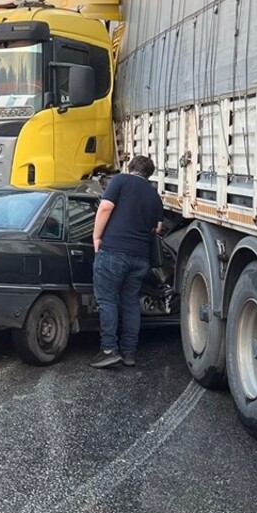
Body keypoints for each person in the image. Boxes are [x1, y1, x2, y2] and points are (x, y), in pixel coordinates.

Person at [90, 155, 163, 369]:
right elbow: (157, 228)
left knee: (107, 300)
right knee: (131, 303)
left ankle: (108, 350)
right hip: (141, 257)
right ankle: (129, 353)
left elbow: (105, 208)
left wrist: (96, 237)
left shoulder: (120, 181)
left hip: (114, 251)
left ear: (129, 167)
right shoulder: (153, 195)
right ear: (149, 174)